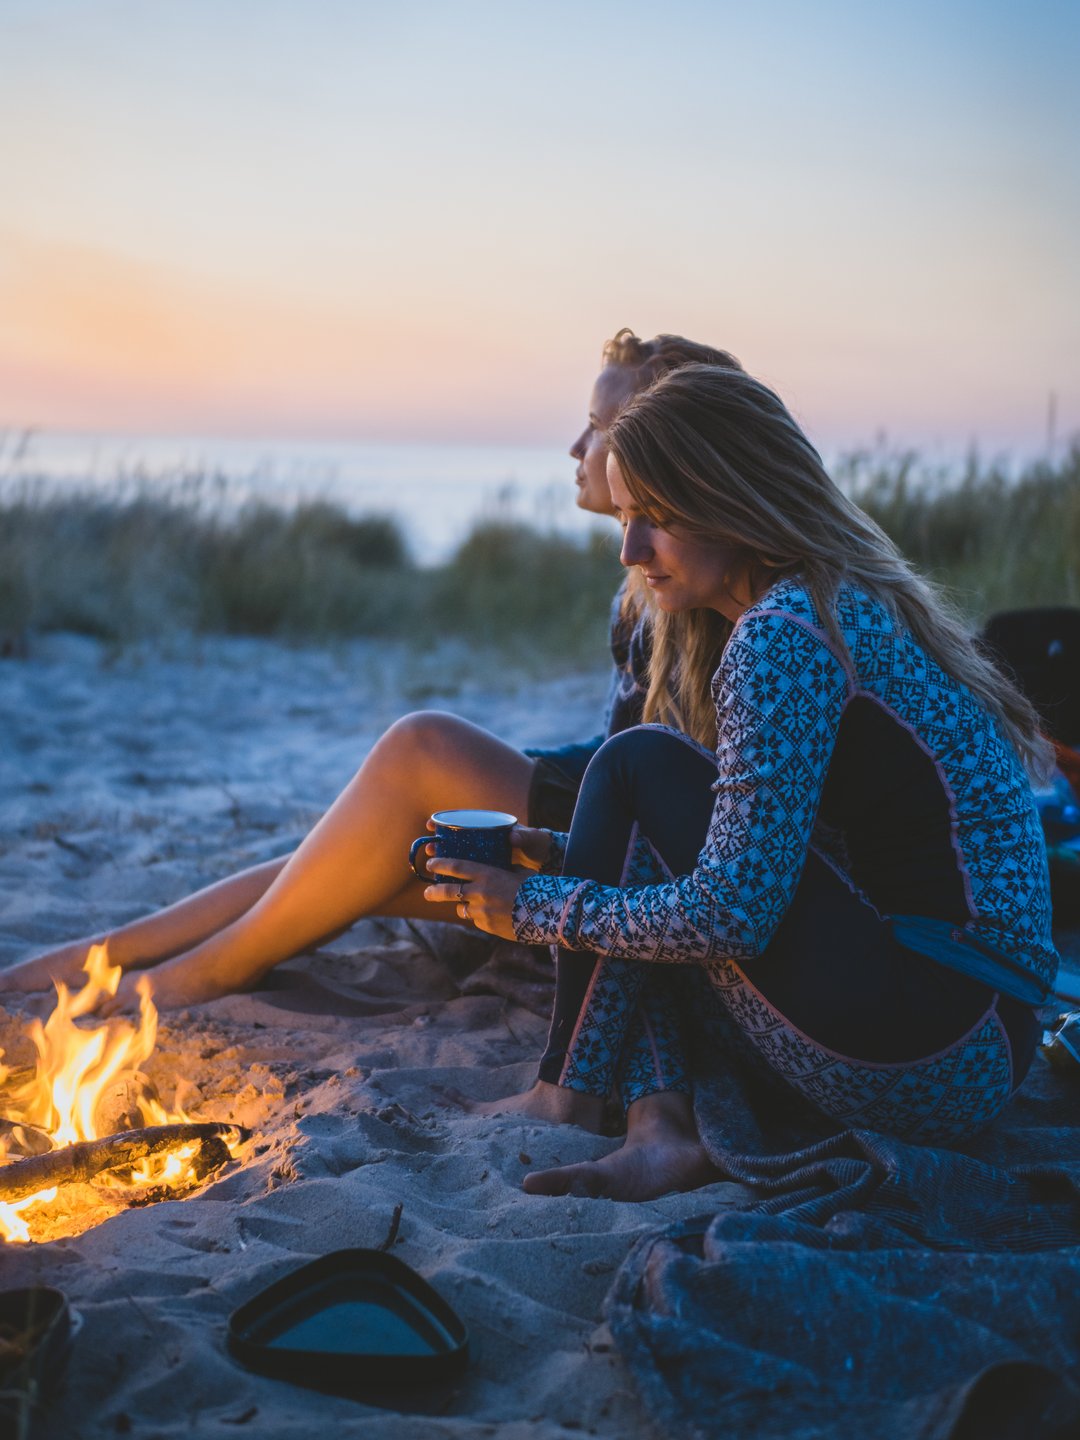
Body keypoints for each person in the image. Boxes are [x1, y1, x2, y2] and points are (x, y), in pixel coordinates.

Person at [429, 363, 1059, 1201]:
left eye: (654, 518)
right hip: (985, 1035)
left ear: (733, 497)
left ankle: (571, 1094)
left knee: (635, 762)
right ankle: (655, 1129)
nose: (630, 550)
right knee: (636, 811)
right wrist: (562, 853)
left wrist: (537, 909)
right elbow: (777, 854)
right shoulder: (835, 598)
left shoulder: (783, 636)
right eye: (625, 517)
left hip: (934, 1042)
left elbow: (732, 910)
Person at [3, 331, 742, 1013]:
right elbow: (629, 748)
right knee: (346, 851)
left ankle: (198, 972)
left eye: (597, 425)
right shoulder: (650, 583)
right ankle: (107, 953)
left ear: (661, 442)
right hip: (603, 816)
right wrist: (532, 770)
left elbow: (667, 789)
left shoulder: (698, 589)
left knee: (419, 752)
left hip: (640, 861)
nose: (578, 446)